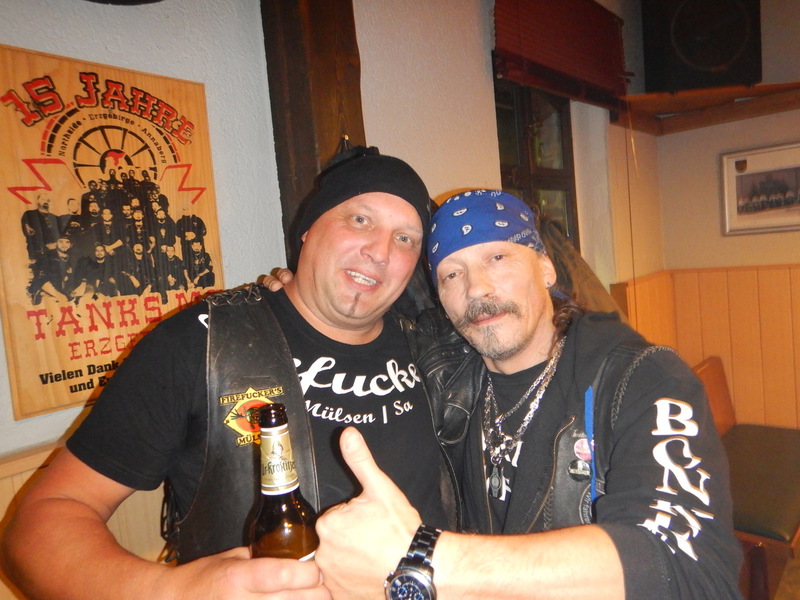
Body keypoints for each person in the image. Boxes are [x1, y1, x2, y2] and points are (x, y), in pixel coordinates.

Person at [1, 148, 456, 600]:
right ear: (308, 228)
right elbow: (38, 524)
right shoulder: (201, 343)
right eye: (359, 219)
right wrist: (174, 592)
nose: (380, 252)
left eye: (405, 238)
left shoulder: (434, 350)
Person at [312, 190, 744, 600]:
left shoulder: (643, 378)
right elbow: (350, 322)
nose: (476, 289)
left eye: (497, 258)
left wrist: (426, 562)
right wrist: (294, 293)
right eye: (452, 274)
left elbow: (690, 573)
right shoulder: (442, 365)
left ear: (546, 269)